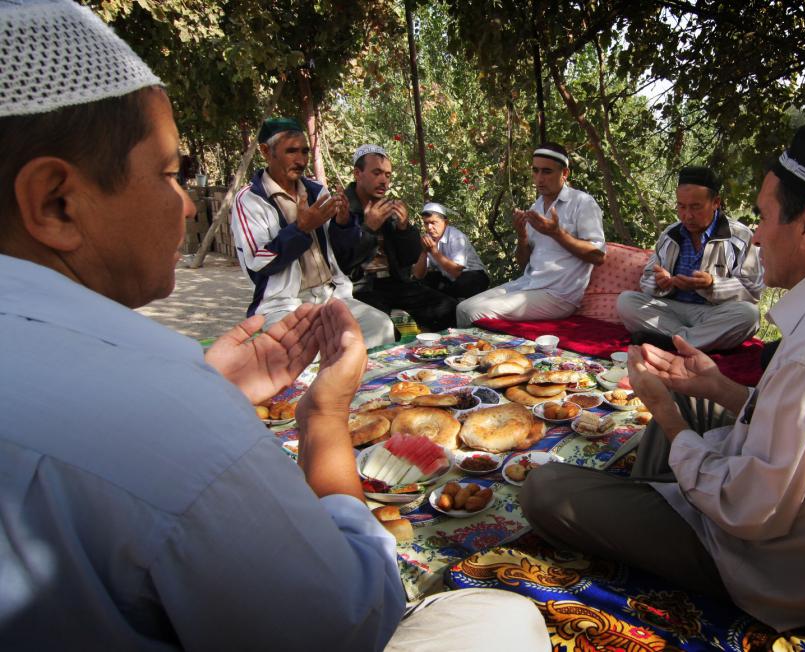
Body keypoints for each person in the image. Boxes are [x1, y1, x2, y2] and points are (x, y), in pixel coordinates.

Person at [0, 2, 548, 650]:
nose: (182, 202)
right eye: (171, 174)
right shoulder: (170, 397)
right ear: (56, 204)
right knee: (504, 621)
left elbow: (347, 257)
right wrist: (321, 422)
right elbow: (346, 617)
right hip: (281, 305)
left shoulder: (315, 194)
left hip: (320, 299)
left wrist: (352, 225)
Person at [520, 123, 805, 632]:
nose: (756, 233)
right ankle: (650, 498)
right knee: (692, 400)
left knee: (545, 487)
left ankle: (649, 515)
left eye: (766, 216)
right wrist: (717, 386)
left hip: (761, 564)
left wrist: (664, 413)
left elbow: (748, 509)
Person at [229, 118, 395, 347]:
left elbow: (340, 253)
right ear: (266, 152)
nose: (301, 160)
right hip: (283, 305)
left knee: (380, 326)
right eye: (291, 151)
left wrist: (343, 223)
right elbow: (259, 261)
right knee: (308, 350)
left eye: (305, 151)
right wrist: (301, 228)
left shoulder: (317, 191)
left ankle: (364, 382)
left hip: (330, 296)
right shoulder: (250, 199)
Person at [455, 142, 605, 327]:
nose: (539, 178)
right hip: (528, 284)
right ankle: (473, 354)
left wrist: (557, 233)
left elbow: (598, 257)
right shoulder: (537, 207)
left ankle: (477, 353)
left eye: (547, 171)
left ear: (564, 173)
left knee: (473, 312)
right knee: (463, 308)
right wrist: (522, 237)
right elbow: (523, 263)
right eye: (536, 171)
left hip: (559, 295)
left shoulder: (582, 203)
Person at [617, 166, 763, 351]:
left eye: (695, 207)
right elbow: (646, 280)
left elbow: (753, 290)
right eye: (681, 206)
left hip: (712, 313)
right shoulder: (670, 234)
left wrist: (711, 284)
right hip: (672, 310)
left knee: (749, 315)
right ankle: (696, 342)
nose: (687, 215)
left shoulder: (739, 236)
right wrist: (660, 283)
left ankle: (672, 342)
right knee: (626, 302)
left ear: (716, 202)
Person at [330, 145, 459, 332]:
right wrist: (369, 228)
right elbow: (343, 262)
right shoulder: (341, 208)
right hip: (360, 288)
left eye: (388, 175)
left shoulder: (389, 208)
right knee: (386, 329)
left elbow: (410, 258)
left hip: (396, 284)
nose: (384, 181)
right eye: (377, 173)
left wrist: (404, 228)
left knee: (449, 308)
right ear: (357, 174)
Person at [412, 202, 490, 299]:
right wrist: (424, 252)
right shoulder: (428, 239)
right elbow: (418, 275)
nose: (429, 228)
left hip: (473, 275)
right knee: (418, 284)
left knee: (462, 284)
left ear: (445, 223)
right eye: (426, 223)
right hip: (449, 278)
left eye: (433, 223)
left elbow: (456, 272)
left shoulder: (456, 237)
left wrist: (434, 251)